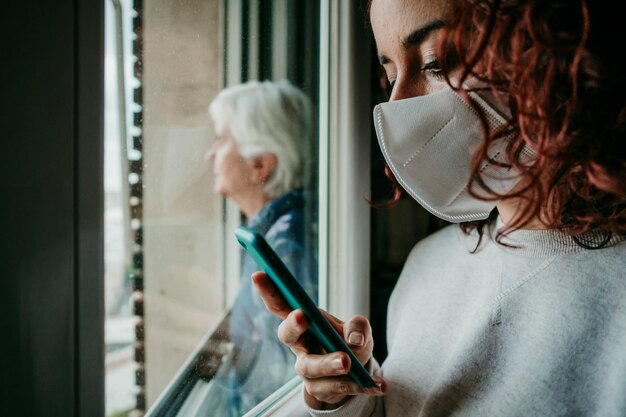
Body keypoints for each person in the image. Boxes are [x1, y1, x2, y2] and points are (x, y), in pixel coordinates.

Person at [252, 0, 626, 416]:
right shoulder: (427, 267)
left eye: (436, 62)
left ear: (554, 55)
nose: (399, 104)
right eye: (390, 75)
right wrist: (343, 397)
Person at [203, 79, 318, 416]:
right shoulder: (275, 234)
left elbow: (279, 380)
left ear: (260, 165)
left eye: (221, 140)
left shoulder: (283, 247)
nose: (210, 155)